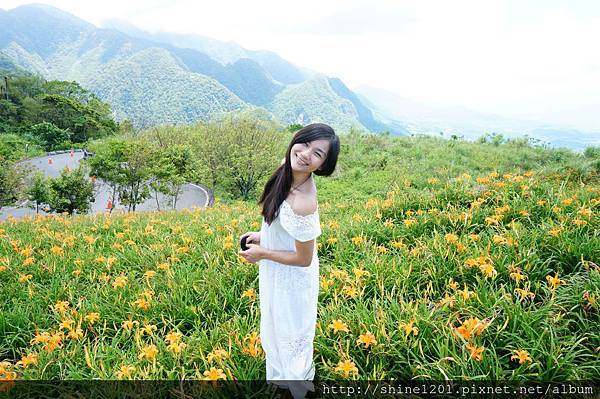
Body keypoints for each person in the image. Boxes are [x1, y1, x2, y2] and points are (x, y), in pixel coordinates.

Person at [239, 123, 340, 399]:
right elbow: (279, 224)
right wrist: (263, 236)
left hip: (293, 277)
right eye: (305, 143)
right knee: (273, 323)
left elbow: (304, 258)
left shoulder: (304, 203)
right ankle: (282, 382)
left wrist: (264, 253)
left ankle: (300, 390)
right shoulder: (286, 167)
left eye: (317, 153)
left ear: (321, 166)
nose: (306, 154)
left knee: (292, 330)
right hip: (275, 269)